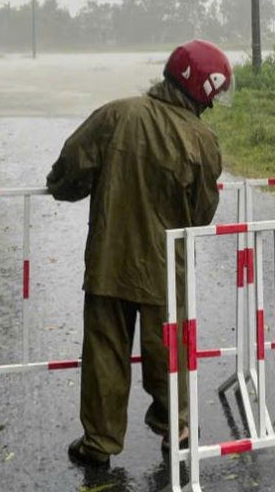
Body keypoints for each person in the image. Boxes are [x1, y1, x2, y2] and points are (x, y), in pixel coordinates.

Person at [46, 39, 231, 469]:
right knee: (170, 350)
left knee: (105, 352)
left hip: (109, 261)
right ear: (204, 90)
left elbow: (69, 171)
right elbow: (202, 213)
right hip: (165, 268)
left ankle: (99, 442)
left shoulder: (116, 114)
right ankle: (178, 429)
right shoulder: (202, 139)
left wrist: (65, 188)